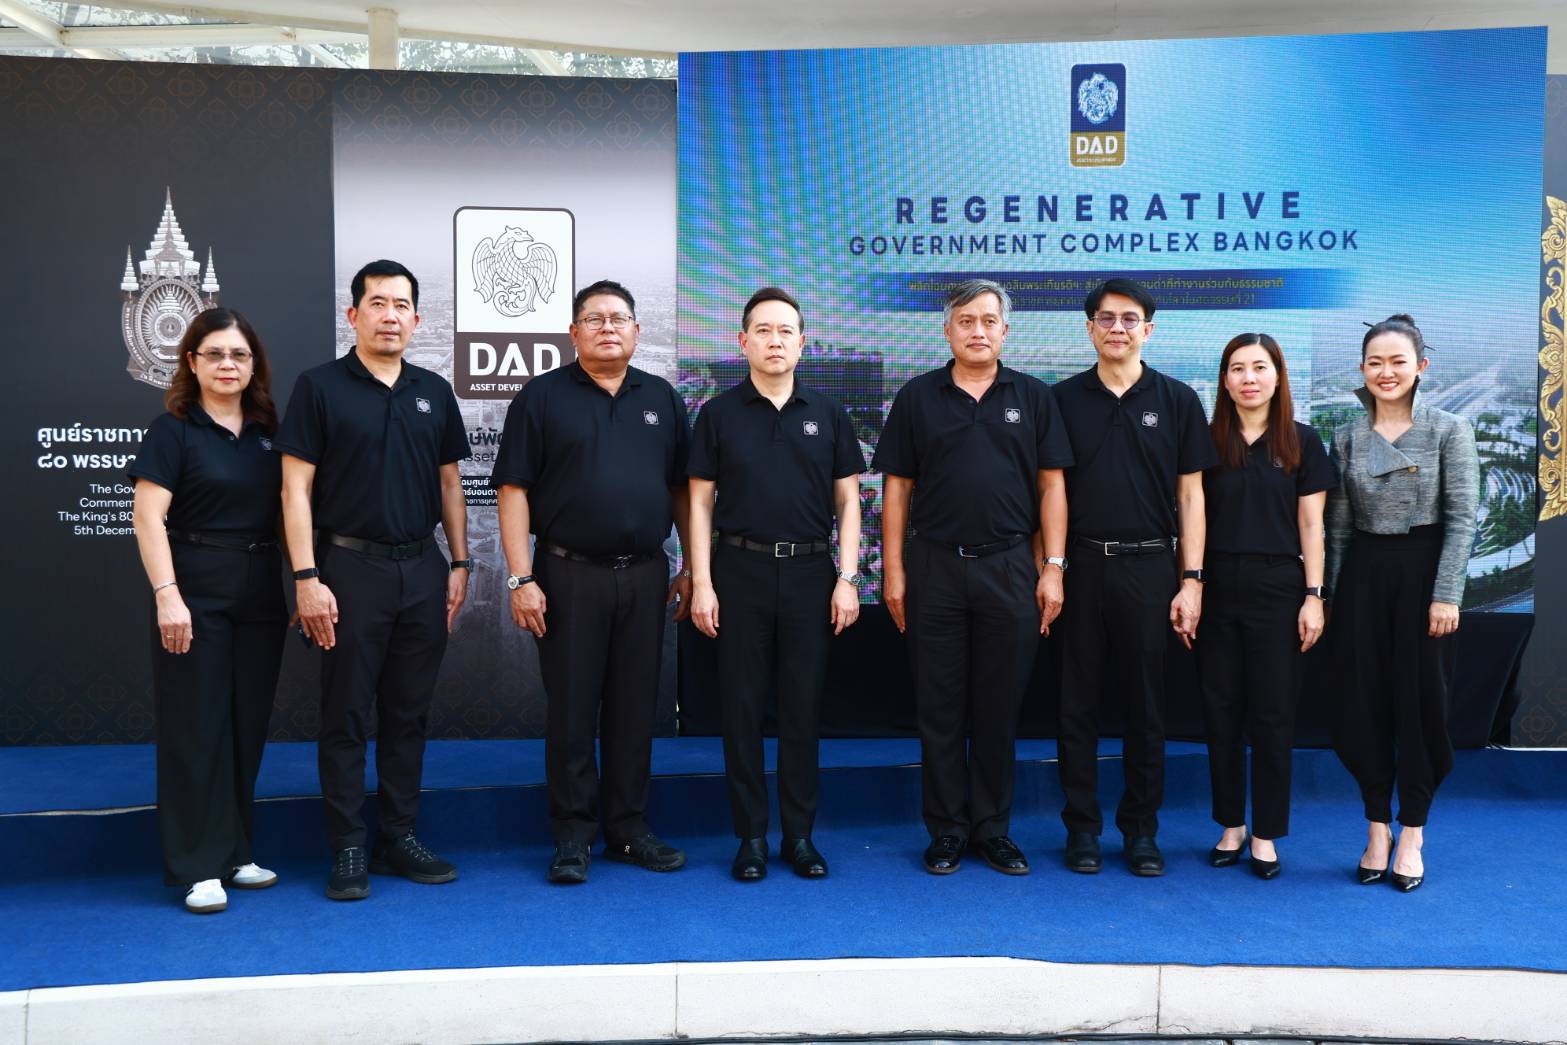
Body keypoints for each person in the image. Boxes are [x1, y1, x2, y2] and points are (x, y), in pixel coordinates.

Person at [276, 259, 472, 901]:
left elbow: (450, 483)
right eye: (378, 303)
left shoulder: (433, 390)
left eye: (402, 305)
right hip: (346, 569)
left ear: (417, 319)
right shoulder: (319, 387)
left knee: (408, 713)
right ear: (353, 314)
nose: (391, 315)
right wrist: (306, 576)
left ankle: (398, 835)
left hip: (422, 569)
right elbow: (295, 490)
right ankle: (348, 845)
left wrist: (460, 563)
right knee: (346, 713)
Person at [494, 278, 693, 885]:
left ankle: (629, 830)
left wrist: (690, 565)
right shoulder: (542, 397)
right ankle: (573, 836)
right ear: (573, 332)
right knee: (573, 709)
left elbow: (682, 490)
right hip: (567, 575)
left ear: (636, 331)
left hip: (646, 574)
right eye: (595, 318)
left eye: (619, 318)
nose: (608, 328)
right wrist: (520, 577)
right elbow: (513, 489)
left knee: (635, 709)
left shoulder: (661, 397)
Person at [873, 278, 1073, 876]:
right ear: (948, 330)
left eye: (988, 321)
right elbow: (896, 491)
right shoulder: (917, 397)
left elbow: (1052, 487)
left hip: (1010, 566)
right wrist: (894, 571)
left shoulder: (1034, 397)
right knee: (938, 707)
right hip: (934, 567)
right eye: (966, 321)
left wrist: (1053, 567)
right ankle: (947, 830)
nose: (978, 331)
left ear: (1005, 331)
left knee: (998, 707)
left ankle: (992, 829)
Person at [688, 287, 866, 881]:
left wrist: (847, 578)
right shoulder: (717, 414)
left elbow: (849, 502)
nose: (774, 341)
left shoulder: (828, 413)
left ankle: (800, 836)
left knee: (801, 710)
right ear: (743, 342)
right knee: (741, 711)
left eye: (785, 331)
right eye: (762, 331)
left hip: (812, 574)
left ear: (802, 343)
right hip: (739, 572)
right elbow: (700, 503)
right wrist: (703, 582)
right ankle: (751, 837)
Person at [1051, 277, 1217, 877]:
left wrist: (1191, 579)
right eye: (1106, 318)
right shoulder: (1060, 400)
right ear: (1089, 327)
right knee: (1076, 706)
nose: (1117, 328)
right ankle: (1082, 829)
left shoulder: (1177, 400)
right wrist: (1052, 568)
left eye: (1129, 319)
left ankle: (1141, 831)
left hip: (1151, 567)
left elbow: (1192, 497)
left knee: (1146, 707)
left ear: (1148, 329)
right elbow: (1050, 492)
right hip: (1081, 565)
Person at [130, 307, 286, 914]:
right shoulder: (172, 429)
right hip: (195, 590)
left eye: (239, 355)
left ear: (254, 365)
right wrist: (167, 594)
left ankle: (235, 852)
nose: (227, 364)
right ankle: (198, 865)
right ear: (191, 361)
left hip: (260, 591)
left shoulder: (270, 430)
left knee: (245, 725)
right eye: (215, 354)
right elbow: (148, 517)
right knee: (196, 728)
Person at [1325, 313, 1479, 892]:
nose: (1386, 372)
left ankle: (1412, 831)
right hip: (1363, 578)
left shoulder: (1449, 429)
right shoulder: (1346, 435)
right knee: (1360, 705)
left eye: (1397, 361)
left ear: (1421, 366)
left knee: (1420, 707)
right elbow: (1338, 528)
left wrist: (1446, 595)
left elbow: (1463, 519)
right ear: (1362, 369)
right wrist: (1331, 597)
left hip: (1424, 574)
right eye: (1375, 362)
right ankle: (1376, 829)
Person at [1196, 333, 1334, 879]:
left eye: (1259, 367)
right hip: (1216, 586)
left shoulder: (1302, 441)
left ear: (1278, 376)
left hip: (1280, 587)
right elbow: (1191, 516)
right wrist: (1191, 585)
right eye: (1237, 369)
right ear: (1224, 380)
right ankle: (1230, 824)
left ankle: (1266, 832)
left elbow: (1312, 524)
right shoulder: (1206, 441)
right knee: (1221, 710)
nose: (1248, 378)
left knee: (1273, 715)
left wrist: (1314, 596)